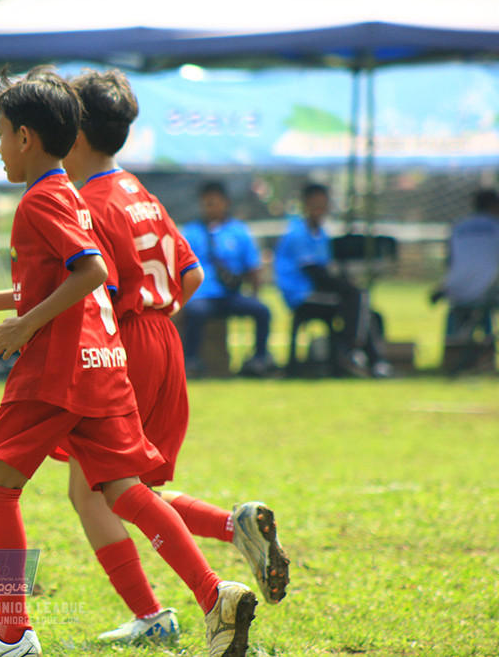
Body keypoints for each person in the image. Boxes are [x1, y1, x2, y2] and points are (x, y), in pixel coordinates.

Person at [0, 65, 258, 657]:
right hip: (104, 362)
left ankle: (12, 633)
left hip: (59, 369)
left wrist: (25, 325)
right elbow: (67, 278)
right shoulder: (75, 198)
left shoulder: (39, 200)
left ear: (25, 137)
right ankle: (216, 595)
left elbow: (92, 272)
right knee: (126, 490)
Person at [61, 68, 289, 645]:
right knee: (128, 485)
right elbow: (191, 275)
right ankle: (233, 527)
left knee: (96, 489)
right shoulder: (139, 191)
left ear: (76, 132)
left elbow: (95, 290)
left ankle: (172, 608)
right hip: (165, 338)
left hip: (125, 344)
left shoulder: (87, 204)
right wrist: (154, 321)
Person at [273, 183, 392, 378]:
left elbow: (327, 270)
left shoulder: (321, 234)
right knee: (356, 297)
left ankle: (373, 360)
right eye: (315, 203)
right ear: (305, 204)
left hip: (318, 291)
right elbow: (316, 273)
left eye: (323, 204)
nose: (319, 208)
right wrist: (346, 286)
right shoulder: (298, 234)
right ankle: (352, 350)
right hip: (302, 295)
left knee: (364, 307)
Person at [181, 182, 275, 377]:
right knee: (195, 312)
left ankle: (259, 359)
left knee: (262, 311)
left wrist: (255, 293)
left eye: (215, 202)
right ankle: (191, 361)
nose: (212, 207)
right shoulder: (191, 232)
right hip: (203, 295)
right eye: (207, 203)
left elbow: (252, 266)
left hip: (230, 295)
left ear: (226, 203)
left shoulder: (239, 231)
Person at [436, 188, 499, 339]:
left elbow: (451, 260)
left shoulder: (458, 225)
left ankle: (452, 347)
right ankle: (486, 345)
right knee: (485, 306)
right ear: (493, 205)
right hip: (487, 291)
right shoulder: (496, 225)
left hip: (457, 290)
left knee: (458, 316)